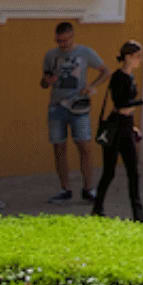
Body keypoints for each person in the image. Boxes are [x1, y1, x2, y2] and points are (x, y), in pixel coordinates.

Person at [85, 39, 143, 217]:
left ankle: (138, 213)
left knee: (133, 172)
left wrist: (133, 126)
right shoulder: (118, 77)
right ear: (128, 57)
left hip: (126, 127)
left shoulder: (130, 77)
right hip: (116, 128)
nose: (140, 60)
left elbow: (126, 108)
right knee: (109, 171)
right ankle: (97, 208)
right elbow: (121, 104)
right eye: (137, 56)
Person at [40, 19, 96, 204]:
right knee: (59, 146)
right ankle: (65, 188)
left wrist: (91, 86)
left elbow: (105, 70)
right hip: (57, 106)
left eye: (65, 41)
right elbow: (43, 81)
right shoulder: (51, 55)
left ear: (72, 37)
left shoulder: (85, 53)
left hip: (79, 105)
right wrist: (47, 81)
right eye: (59, 41)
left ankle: (88, 188)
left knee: (85, 146)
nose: (62, 45)